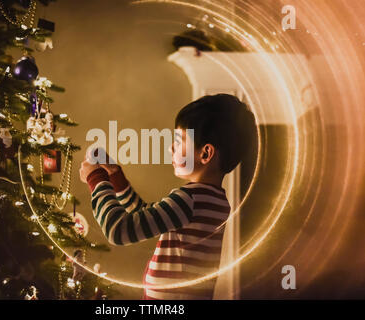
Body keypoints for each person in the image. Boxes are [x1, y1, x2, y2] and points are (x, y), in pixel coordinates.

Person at [79, 94, 256, 299]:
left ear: (205, 154)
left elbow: (118, 230)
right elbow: (142, 217)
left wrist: (96, 178)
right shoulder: (213, 200)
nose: (171, 147)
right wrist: (114, 176)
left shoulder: (189, 200)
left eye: (179, 141)